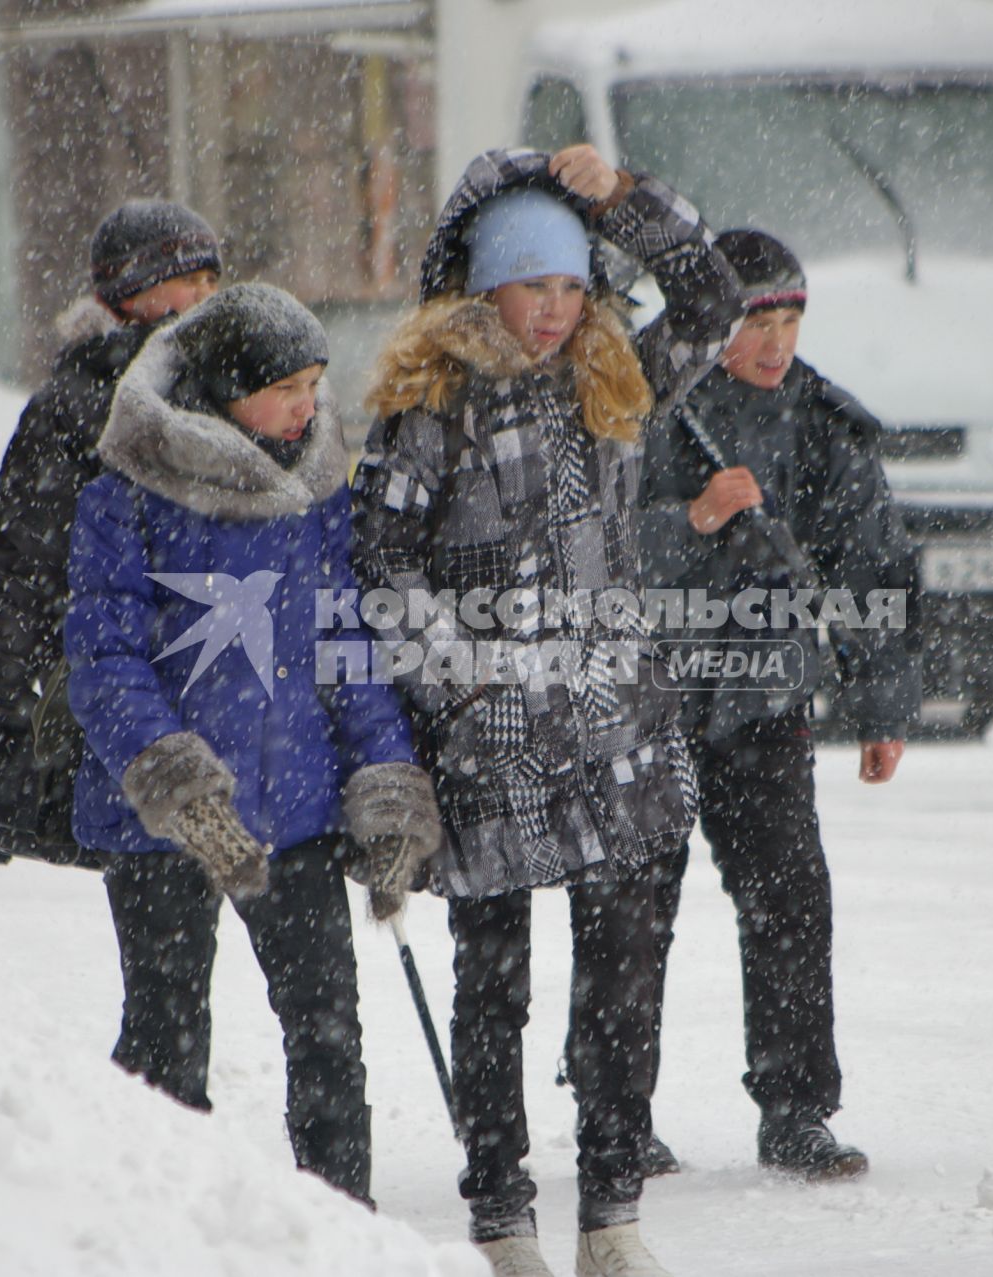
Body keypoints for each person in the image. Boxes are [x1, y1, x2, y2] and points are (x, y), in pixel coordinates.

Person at [350, 145, 741, 1277]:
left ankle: (613, 1214)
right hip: (493, 744)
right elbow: (381, 565)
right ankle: (501, 1214)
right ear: (484, 288)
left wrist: (622, 199)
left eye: (573, 285)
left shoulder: (614, 376)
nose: (556, 311)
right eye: (534, 287)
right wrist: (463, 680)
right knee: (497, 986)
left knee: (622, 981)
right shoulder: (432, 405)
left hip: (618, 733)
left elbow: (714, 293)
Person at [65, 282, 442, 1206]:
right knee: (166, 1034)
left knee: (326, 1029)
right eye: (286, 388)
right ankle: (159, 1225)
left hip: (297, 812)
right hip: (161, 824)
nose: (307, 407)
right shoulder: (126, 495)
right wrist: (181, 788)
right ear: (227, 388)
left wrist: (385, 784)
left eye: (316, 384)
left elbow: (346, 643)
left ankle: (340, 1221)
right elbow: (103, 656)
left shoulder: (315, 490)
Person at [636, 228, 920, 1182]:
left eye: (790, 319)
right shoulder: (642, 402)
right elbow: (586, 548)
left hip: (765, 705)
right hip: (652, 704)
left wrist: (880, 701)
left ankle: (797, 1108)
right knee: (632, 917)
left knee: (793, 904)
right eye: (757, 319)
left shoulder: (821, 422)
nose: (775, 342)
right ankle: (617, 1112)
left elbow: (871, 570)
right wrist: (694, 523)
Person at [0, 198, 224, 870]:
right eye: (187, 278)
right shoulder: (75, 404)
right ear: (133, 290)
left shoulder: (235, 385)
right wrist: (6, 710)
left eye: (211, 279)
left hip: (229, 685)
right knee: (162, 928)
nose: (205, 295)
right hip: (125, 701)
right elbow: (17, 557)